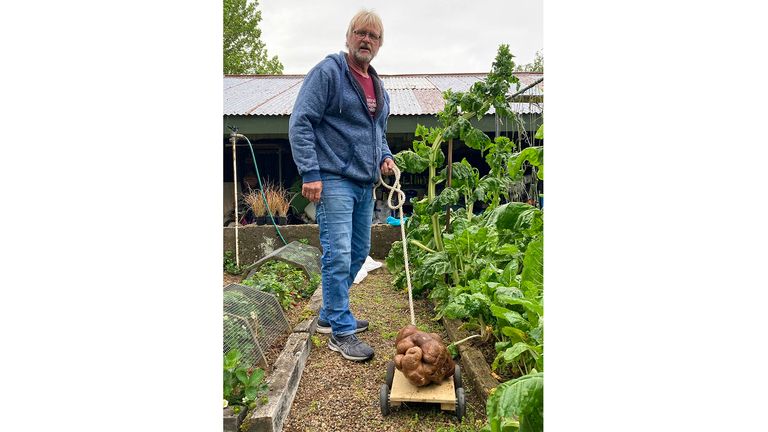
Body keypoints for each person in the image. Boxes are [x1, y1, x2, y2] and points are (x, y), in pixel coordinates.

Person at [289, 10, 396, 362]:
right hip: (333, 179)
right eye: (360, 33)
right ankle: (341, 330)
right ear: (348, 37)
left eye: (373, 36)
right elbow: (301, 121)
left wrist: (385, 156)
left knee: (358, 251)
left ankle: (329, 313)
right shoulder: (330, 73)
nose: (366, 40)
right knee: (337, 255)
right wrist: (310, 172)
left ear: (379, 45)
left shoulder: (377, 85)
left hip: (365, 184)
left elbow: (377, 132)